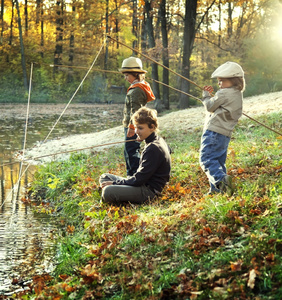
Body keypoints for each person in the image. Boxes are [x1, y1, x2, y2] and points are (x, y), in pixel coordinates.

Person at [99, 107, 171, 205]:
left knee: (108, 191)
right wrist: (143, 138)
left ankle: (112, 199)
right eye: (136, 127)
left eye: (140, 128)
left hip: (149, 191)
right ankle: (119, 194)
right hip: (141, 183)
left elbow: (139, 179)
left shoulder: (153, 148)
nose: (136, 131)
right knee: (105, 177)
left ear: (152, 127)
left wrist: (115, 183)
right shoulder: (157, 139)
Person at [199, 61, 245, 196]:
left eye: (222, 81)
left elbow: (209, 107)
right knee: (218, 160)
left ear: (233, 80)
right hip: (225, 133)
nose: (219, 84)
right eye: (218, 81)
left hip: (214, 131)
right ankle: (217, 190)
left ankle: (221, 181)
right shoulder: (237, 94)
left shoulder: (223, 93)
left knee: (206, 158)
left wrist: (206, 96)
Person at [120, 57, 155, 176]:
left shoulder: (137, 90)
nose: (125, 78)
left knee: (131, 150)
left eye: (127, 75)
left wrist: (131, 127)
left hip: (133, 126)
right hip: (131, 125)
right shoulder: (138, 86)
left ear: (135, 74)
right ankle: (131, 174)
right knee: (128, 150)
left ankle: (134, 175)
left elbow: (136, 111)